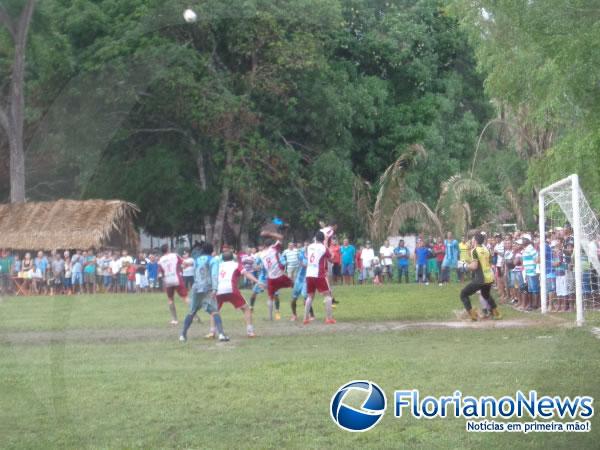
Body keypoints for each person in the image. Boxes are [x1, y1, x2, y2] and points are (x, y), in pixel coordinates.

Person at [180, 243, 229, 342]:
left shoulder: (197, 259)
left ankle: (182, 335)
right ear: (211, 251)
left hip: (196, 287)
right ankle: (221, 334)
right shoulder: (213, 260)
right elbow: (214, 274)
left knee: (192, 311)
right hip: (208, 287)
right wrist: (215, 288)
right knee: (214, 310)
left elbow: (194, 272)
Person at [215, 251, 262, 338]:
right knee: (246, 308)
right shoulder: (236, 264)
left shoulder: (218, 265)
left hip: (218, 290)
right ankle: (250, 332)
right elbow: (246, 273)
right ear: (233, 257)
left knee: (214, 311)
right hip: (231, 289)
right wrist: (257, 281)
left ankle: (212, 332)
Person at [459, 232, 501, 321]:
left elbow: (474, 266)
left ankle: (473, 315)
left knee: (463, 294)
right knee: (485, 294)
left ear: (476, 240)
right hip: (489, 277)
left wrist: (464, 266)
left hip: (480, 278)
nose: (472, 240)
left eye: (473, 239)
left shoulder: (475, 250)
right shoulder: (486, 249)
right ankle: (496, 313)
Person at [259, 230, 293, 321]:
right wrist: (269, 233)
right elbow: (280, 237)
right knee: (294, 285)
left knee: (270, 297)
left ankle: (270, 317)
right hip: (280, 275)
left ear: (264, 246)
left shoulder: (261, 255)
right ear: (271, 244)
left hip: (270, 278)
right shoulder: (273, 249)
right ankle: (295, 311)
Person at [303, 231, 336, 325]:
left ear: (315, 238)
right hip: (319, 273)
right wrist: (331, 252)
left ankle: (305, 318)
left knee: (310, 296)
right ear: (323, 239)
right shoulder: (323, 248)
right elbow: (331, 258)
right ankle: (329, 318)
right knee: (328, 295)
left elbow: (307, 255)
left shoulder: (309, 246)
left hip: (309, 273)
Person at [158, 244, 189, 325]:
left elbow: (160, 273)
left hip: (168, 281)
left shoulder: (160, 260)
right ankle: (194, 315)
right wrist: (184, 266)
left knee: (170, 299)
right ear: (168, 249)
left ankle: (175, 319)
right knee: (185, 297)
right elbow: (184, 263)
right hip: (176, 279)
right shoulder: (174, 255)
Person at [290, 241, 314, 321]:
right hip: (299, 279)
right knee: (294, 299)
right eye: (306, 245)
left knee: (306, 297)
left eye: (308, 245)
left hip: (307, 280)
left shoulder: (313, 256)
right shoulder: (301, 254)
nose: (306, 246)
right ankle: (294, 315)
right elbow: (302, 264)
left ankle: (311, 315)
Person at [521, 234, 539, 311]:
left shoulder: (531, 249)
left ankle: (535, 305)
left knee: (534, 289)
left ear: (528, 241)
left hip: (532, 272)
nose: (522, 241)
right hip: (528, 272)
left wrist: (535, 269)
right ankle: (531, 304)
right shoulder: (526, 249)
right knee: (530, 289)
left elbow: (537, 259)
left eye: (524, 239)